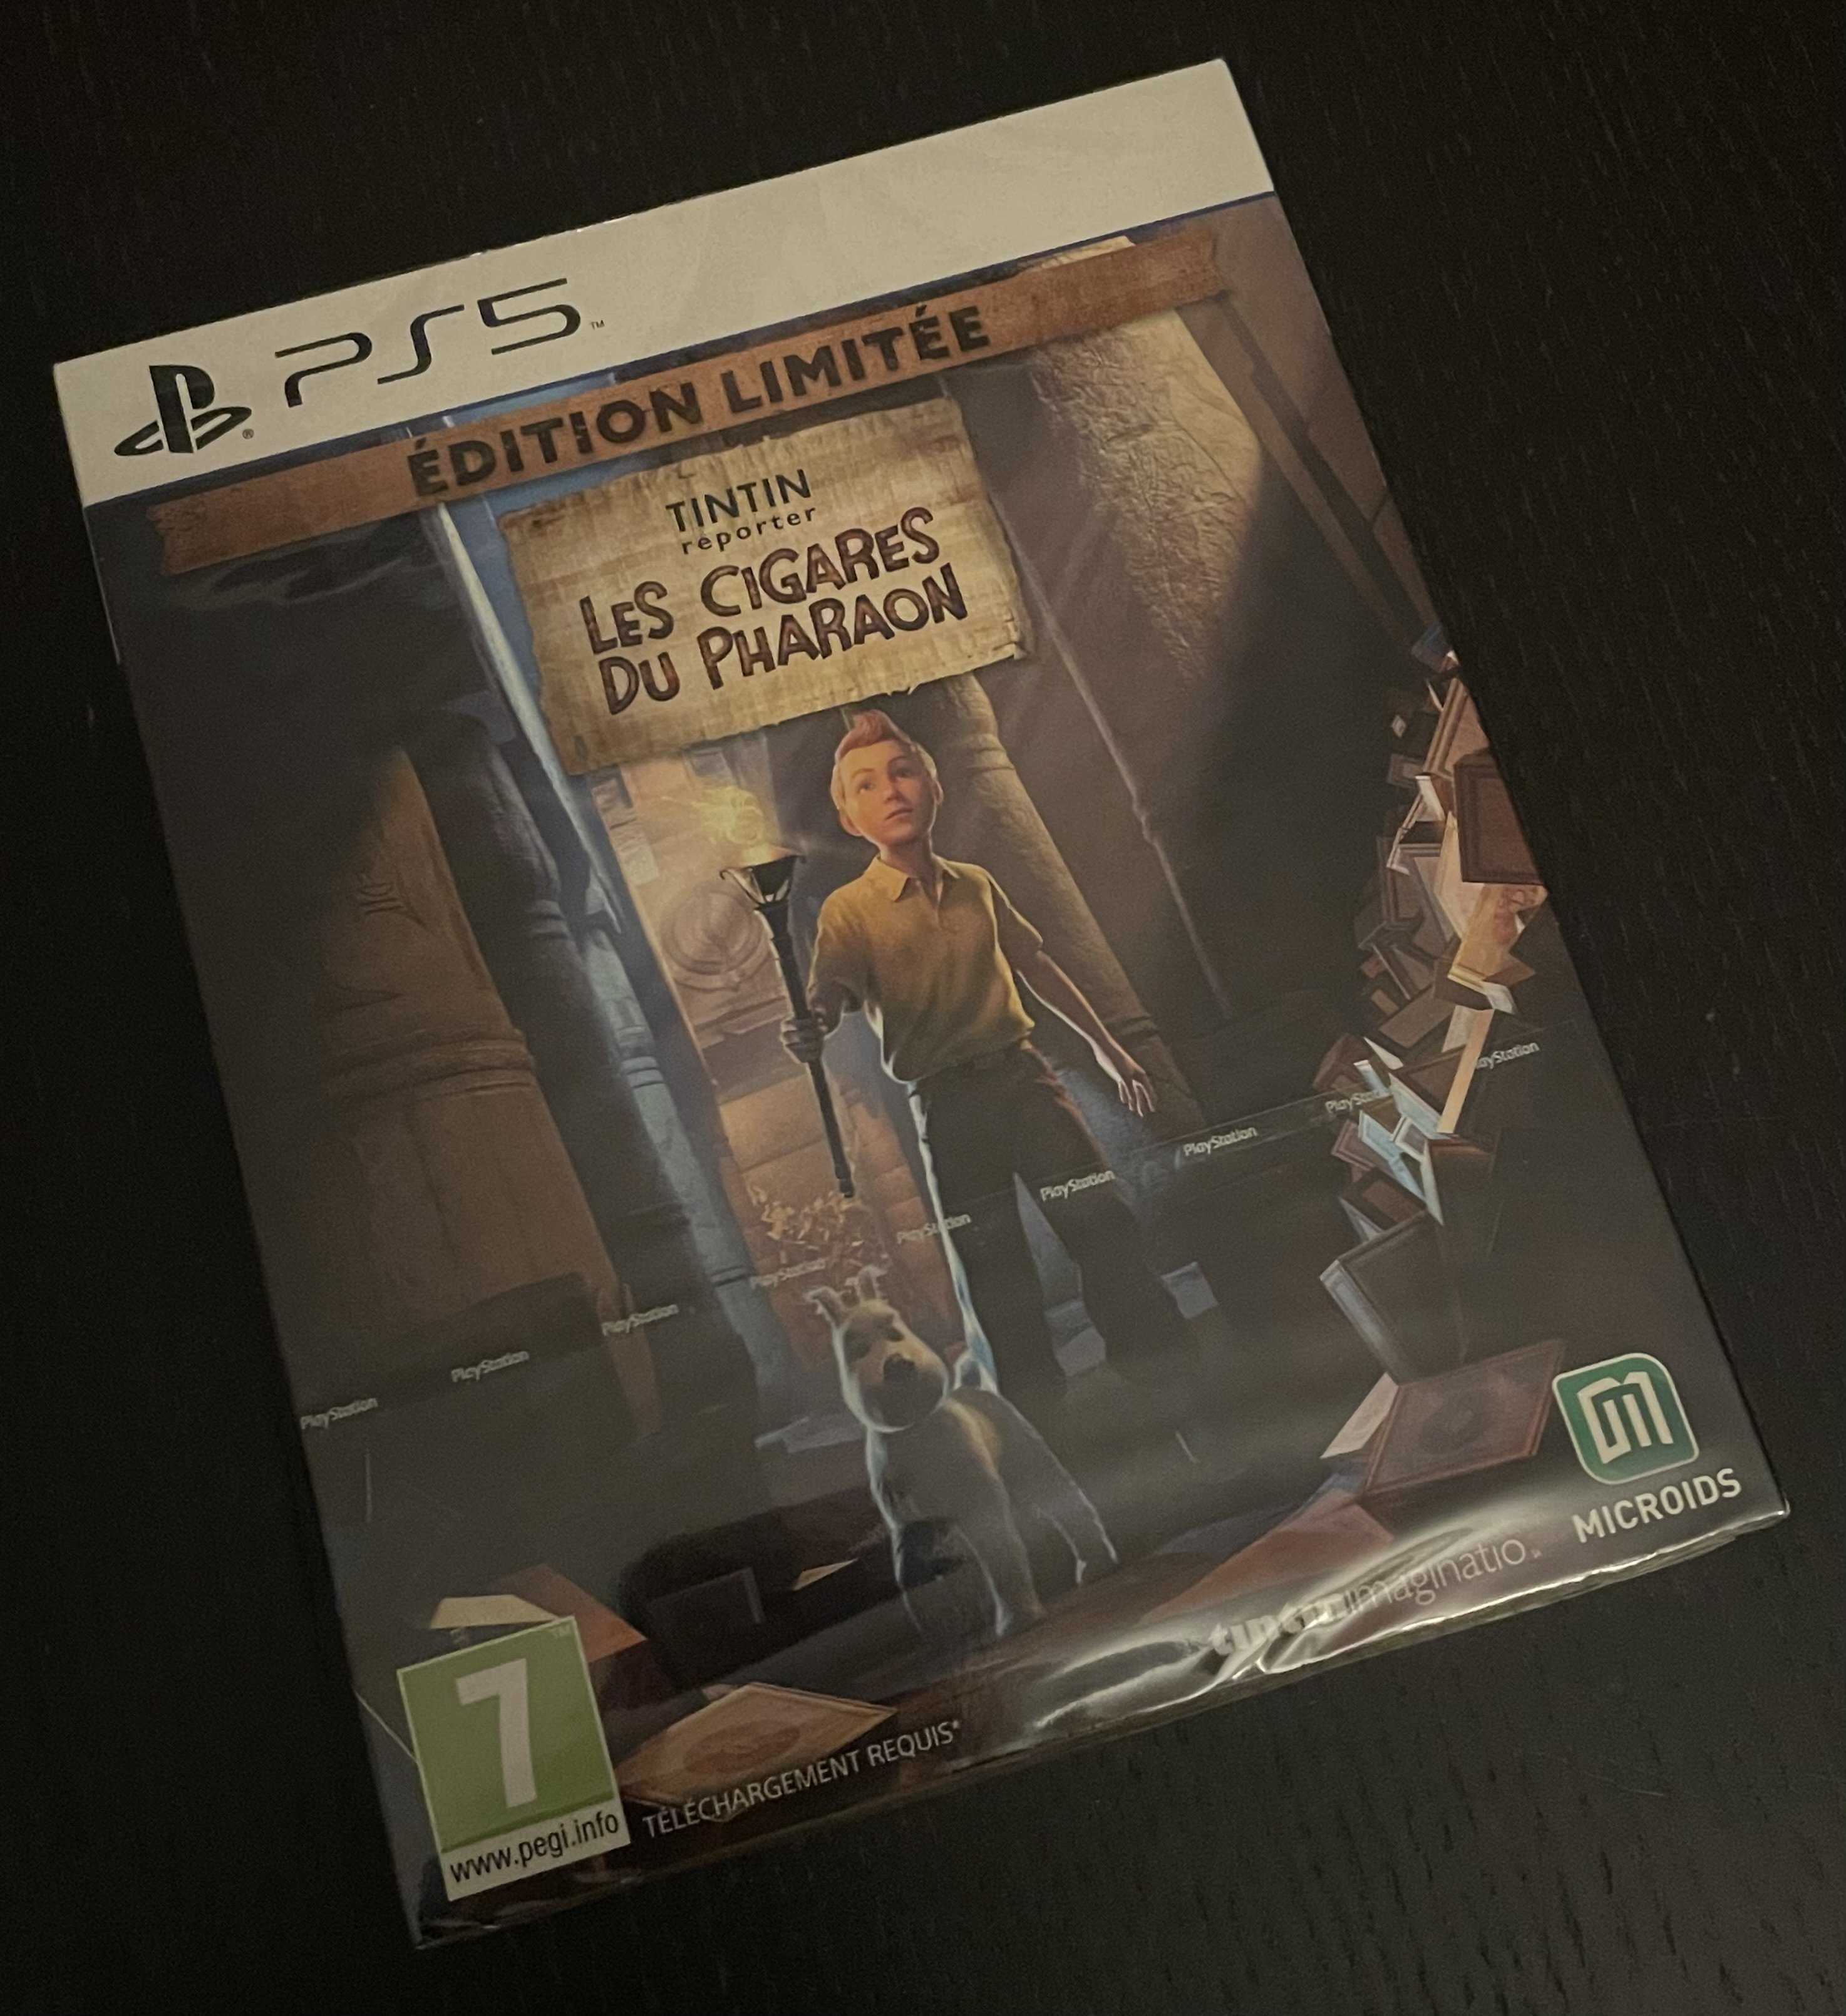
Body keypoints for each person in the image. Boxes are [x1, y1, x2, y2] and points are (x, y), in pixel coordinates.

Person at [783, 709, 1194, 1419]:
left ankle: (1170, 1379)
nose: (892, 791)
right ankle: (1040, 1422)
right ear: (849, 818)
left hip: (1024, 1081)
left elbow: (1036, 963)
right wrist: (814, 1021)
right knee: (996, 1268)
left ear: (935, 787)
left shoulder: (974, 883)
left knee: (1102, 1222)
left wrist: (1109, 1047)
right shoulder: (849, 911)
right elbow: (833, 991)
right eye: (866, 784)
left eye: (904, 772)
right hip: (947, 1108)